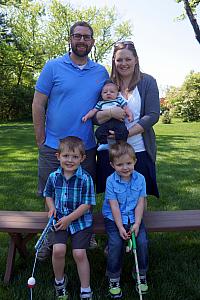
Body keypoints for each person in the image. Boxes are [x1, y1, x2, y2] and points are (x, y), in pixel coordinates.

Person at [32, 21, 109, 257]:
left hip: (85, 148)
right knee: (51, 195)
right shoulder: (53, 67)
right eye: (78, 36)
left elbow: (104, 105)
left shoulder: (100, 72)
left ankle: (84, 235)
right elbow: (38, 103)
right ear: (70, 39)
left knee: (82, 194)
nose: (82, 41)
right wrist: (40, 138)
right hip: (54, 146)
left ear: (92, 42)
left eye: (87, 37)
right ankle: (50, 238)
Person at [95, 41, 160, 198]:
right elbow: (95, 117)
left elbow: (152, 115)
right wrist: (111, 112)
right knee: (113, 197)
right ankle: (114, 222)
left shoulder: (147, 82)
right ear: (114, 61)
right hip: (110, 151)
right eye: (119, 60)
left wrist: (124, 134)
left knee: (138, 196)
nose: (123, 63)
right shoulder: (107, 85)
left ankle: (137, 223)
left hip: (139, 150)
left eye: (128, 59)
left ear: (136, 59)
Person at [44, 136, 95, 300]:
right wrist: (51, 208)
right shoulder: (53, 177)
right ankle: (59, 282)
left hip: (80, 221)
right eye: (66, 156)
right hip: (59, 220)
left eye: (75, 157)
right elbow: (48, 195)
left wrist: (69, 219)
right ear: (58, 156)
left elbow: (87, 205)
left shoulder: (86, 179)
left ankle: (85, 288)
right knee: (58, 251)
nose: (70, 160)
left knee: (79, 253)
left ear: (82, 158)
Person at [102, 142, 148, 298]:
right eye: (120, 164)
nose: (125, 167)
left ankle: (140, 273)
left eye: (128, 163)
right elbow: (113, 206)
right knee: (115, 243)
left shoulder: (140, 179)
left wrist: (136, 223)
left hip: (135, 217)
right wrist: (120, 226)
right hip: (114, 218)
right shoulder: (110, 181)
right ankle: (114, 277)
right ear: (112, 165)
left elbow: (141, 202)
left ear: (134, 161)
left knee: (141, 242)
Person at [82, 79, 133, 151]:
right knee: (99, 132)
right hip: (105, 122)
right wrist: (87, 116)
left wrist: (130, 115)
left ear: (117, 94)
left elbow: (126, 108)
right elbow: (93, 111)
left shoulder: (119, 100)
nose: (108, 93)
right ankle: (104, 144)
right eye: (105, 92)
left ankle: (121, 145)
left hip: (118, 122)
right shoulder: (101, 103)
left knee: (123, 131)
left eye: (112, 92)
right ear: (101, 95)